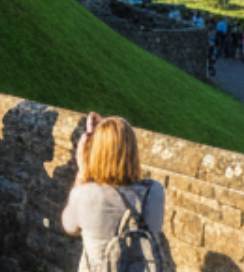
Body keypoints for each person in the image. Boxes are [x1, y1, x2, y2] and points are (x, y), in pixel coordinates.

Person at [61, 114, 169, 272]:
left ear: (96, 152)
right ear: (132, 152)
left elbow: (69, 226)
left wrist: (83, 171)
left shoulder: (85, 194)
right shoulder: (153, 192)